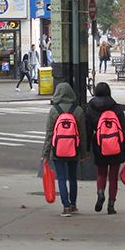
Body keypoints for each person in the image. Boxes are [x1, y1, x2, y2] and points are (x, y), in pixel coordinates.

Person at [85, 82, 125, 215]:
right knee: (113, 177)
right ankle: (111, 205)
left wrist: (87, 148)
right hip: (116, 145)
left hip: (100, 146)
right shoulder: (116, 108)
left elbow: (88, 131)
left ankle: (100, 193)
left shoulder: (90, 108)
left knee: (101, 173)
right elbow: (123, 130)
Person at [41, 82, 87, 216]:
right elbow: (82, 134)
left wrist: (45, 154)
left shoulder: (54, 111)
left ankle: (65, 206)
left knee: (61, 178)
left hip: (57, 150)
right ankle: (73, 205)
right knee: (72, 177)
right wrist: (83, 153)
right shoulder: (78, 110)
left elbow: (49, 134)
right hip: (74, 149)